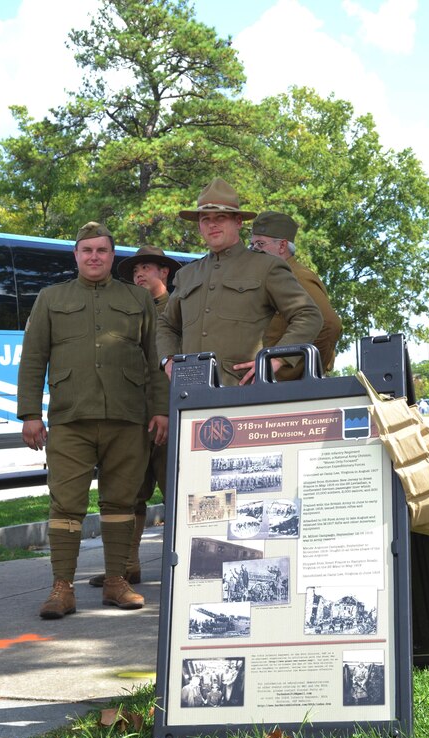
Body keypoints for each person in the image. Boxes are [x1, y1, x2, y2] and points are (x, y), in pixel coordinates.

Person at [17, 222, 169, 619]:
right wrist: (30, 413)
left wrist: (160, 410)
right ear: (76, 256)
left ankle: (117, 581)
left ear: (112, 255)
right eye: (86, 250)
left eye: (101, 250)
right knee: (65, 505)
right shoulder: (51, 298)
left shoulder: (138, 299)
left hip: (127, 416)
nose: (94, 257)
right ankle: (62, 589)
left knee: (121, 501)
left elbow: (154, 360)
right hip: (70, 418)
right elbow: (33, 358)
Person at [157, 178, 324, 386]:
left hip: (243, 390)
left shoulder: (266, 266)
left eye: (221, 217)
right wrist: (168, 359)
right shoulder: (187, 274)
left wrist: (276, 359)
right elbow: (166, 324)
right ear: (199, 226)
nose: (213, 224)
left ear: (238, 222)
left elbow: (308, 315)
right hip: (190, 392)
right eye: (205, 219)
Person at [89, 245, 181, 587]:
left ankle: (187, 567)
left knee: (176, 491)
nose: (139, 275)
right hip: (132, 415)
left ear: (164, 273)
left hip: (172, 412)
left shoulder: (178, 307)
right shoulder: (127, 311)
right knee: (129, 492)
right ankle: (128, 566)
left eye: (146, 268)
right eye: (135, 271)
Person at [251, 210, 342, 376]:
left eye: (260, 244)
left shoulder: (298, 276)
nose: (254, 250)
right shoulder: (271, 276)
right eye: (253, 245)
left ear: (282, 246)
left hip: (283, 391)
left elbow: (330, 325)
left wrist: (301, 375)